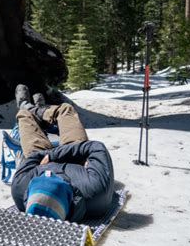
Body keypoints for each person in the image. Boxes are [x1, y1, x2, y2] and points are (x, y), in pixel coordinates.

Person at [11, 84, 115, 223]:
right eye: (53, 177)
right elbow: (97, 147)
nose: (49, 172)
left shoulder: (19, 188)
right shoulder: (95, 191)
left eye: (42, 175)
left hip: (39, 155)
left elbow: (32, 158)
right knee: (66, 109)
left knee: (23, 114)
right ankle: (40, 111)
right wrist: (54, 155)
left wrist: (45, 157)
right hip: (74, 154)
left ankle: (32, 109)